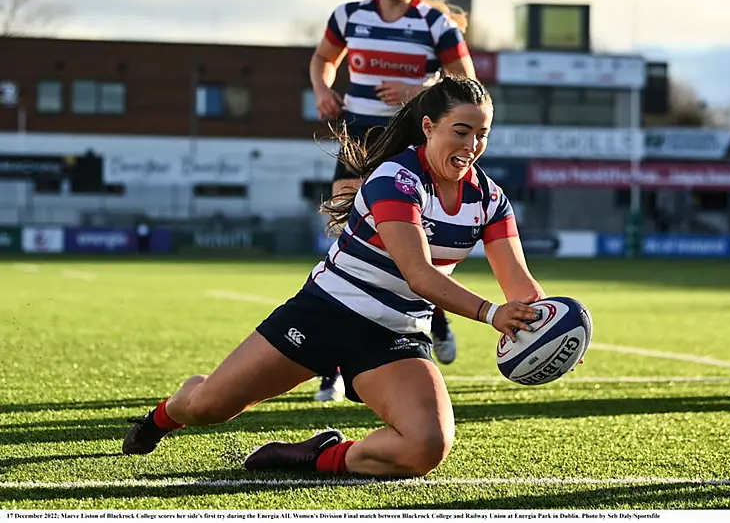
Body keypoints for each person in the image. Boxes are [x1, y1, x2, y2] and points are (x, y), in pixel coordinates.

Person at [122, 76, 546, 478]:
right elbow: (418, 275)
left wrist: (550, 324)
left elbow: (519, 282)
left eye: (482, 133)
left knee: (425, 446)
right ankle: (160, 418)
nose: (472, 145)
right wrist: (492, 314)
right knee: (207, 407)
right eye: (461, 131)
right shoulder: (395, 180)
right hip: (326, 313)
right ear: (429, 127)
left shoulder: (489, 198)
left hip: (395, 334)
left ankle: (315, 455)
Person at [310, 0, 477, 400]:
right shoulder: (349, 16)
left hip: (411, 136)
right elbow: (323, 60)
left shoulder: (434, 21)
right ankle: (333, 366)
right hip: (359, 136)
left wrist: (415, 90)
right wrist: (323, 89)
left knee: (414, 241)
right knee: (344, 239)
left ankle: (434, 313)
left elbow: (467, 83)